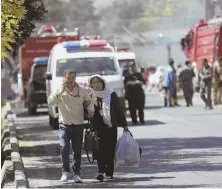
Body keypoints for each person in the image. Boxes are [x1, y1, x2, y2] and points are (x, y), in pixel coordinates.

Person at [48, 68, 94, 183]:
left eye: (73, 78)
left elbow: (88, 102)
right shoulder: (59, 90)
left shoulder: (82, 90)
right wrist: (61, 90)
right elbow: (50, 102)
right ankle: (65, 172)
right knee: (64, 148)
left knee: (77, 150)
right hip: (64, 124)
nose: (71, 80)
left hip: (78, 124)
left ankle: (76, 174)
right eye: (68, 78)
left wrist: (90, 109)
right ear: (64, 78)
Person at [89, 75, 128, 181]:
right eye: (94, 83)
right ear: (91, 85)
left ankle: (109, 172)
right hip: (97, 128)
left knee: (110, 150)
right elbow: (85, 111)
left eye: (98, 82)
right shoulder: (89, 95)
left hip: (111, 126)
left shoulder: (111, 94)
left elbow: (119, 111)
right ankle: (101, 171)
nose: (96, 84)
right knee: (99, 150)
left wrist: (124, 124)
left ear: (103, 83)